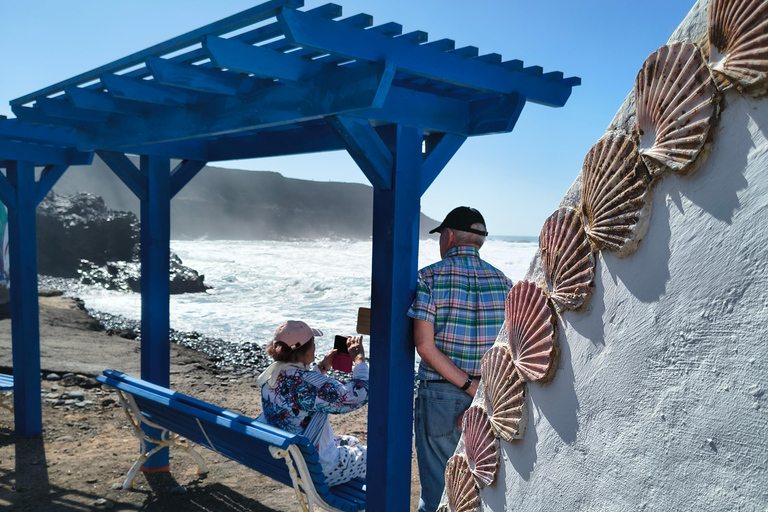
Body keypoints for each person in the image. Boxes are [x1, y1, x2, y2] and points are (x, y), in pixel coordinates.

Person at [407, 206, 512, 512]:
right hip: (490, 398)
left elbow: (424, 347)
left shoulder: (428, 278)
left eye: (441, 235)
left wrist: (467, 384)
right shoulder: (504, 282)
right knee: (480, 488)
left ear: (449, 236)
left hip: (440, 396)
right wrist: (479, 389)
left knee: (439, 492)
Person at [255, 320, 369, 486]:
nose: (314, 348)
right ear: (303, 351)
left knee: (351, 441)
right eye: (313, 343)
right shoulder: (309, 383)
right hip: (318, 469)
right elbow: (358, 394)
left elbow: (302, 390)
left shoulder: (271, 378)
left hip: (288, 461)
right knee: (378, 456)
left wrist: (323, 366)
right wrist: (359, 361)